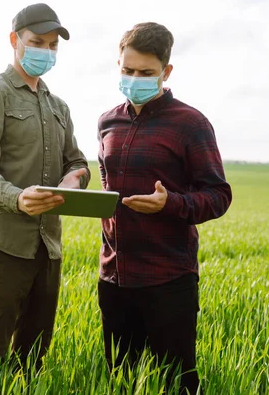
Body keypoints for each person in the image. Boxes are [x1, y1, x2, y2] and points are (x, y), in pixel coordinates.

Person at [97, 22, 232, 394]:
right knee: (120, 382)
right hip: (114, 277)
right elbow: (108, 186)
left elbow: (219, 195)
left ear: (166, 72)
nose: (134, 78)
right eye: (127, 71)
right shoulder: (108, 122)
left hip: (168, 280)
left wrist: (170, 203)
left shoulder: (191, 124)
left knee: (178, 384)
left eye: (146, 73)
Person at [0, 3, 90, 392]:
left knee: (33, 357)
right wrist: (18, 198)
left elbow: (79, 162)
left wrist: (75, 181)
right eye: (37, 42)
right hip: (3, 245)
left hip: (47, 247)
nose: (45, 52)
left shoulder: (59, 106)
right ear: (14, 40)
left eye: (53, 45)